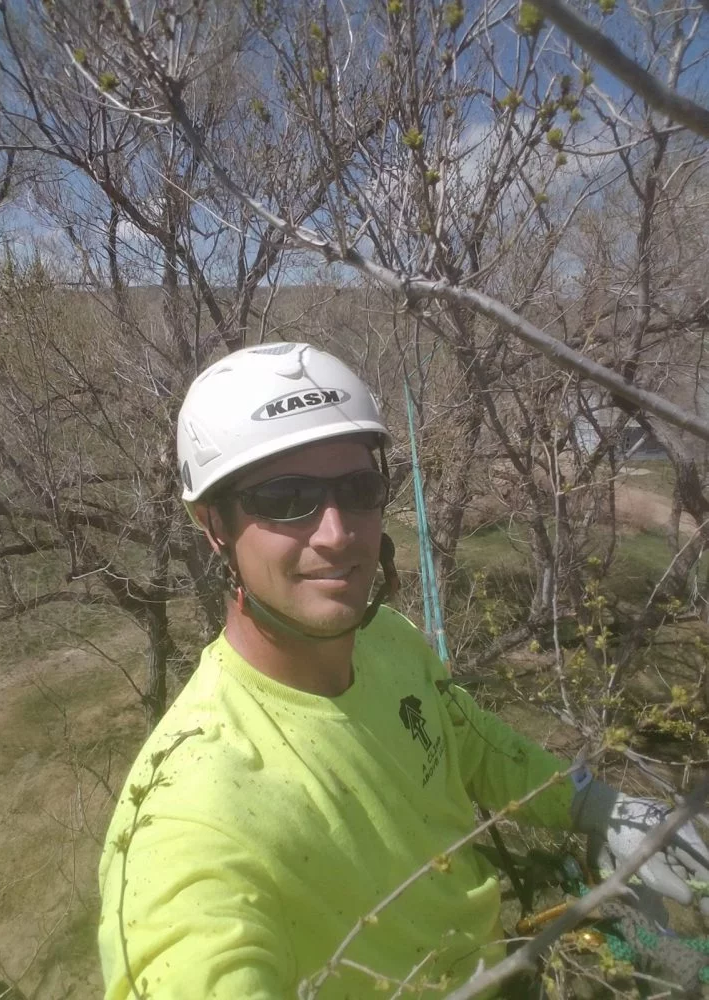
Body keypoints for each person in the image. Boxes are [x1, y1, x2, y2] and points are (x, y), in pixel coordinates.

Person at [99, 342, 709, 1000]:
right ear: (212, 524)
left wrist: (593, 803)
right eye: (284, 497)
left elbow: (470, 739)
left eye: (358, 489)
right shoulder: (188, 815)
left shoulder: (385, 639)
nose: (337, 533)